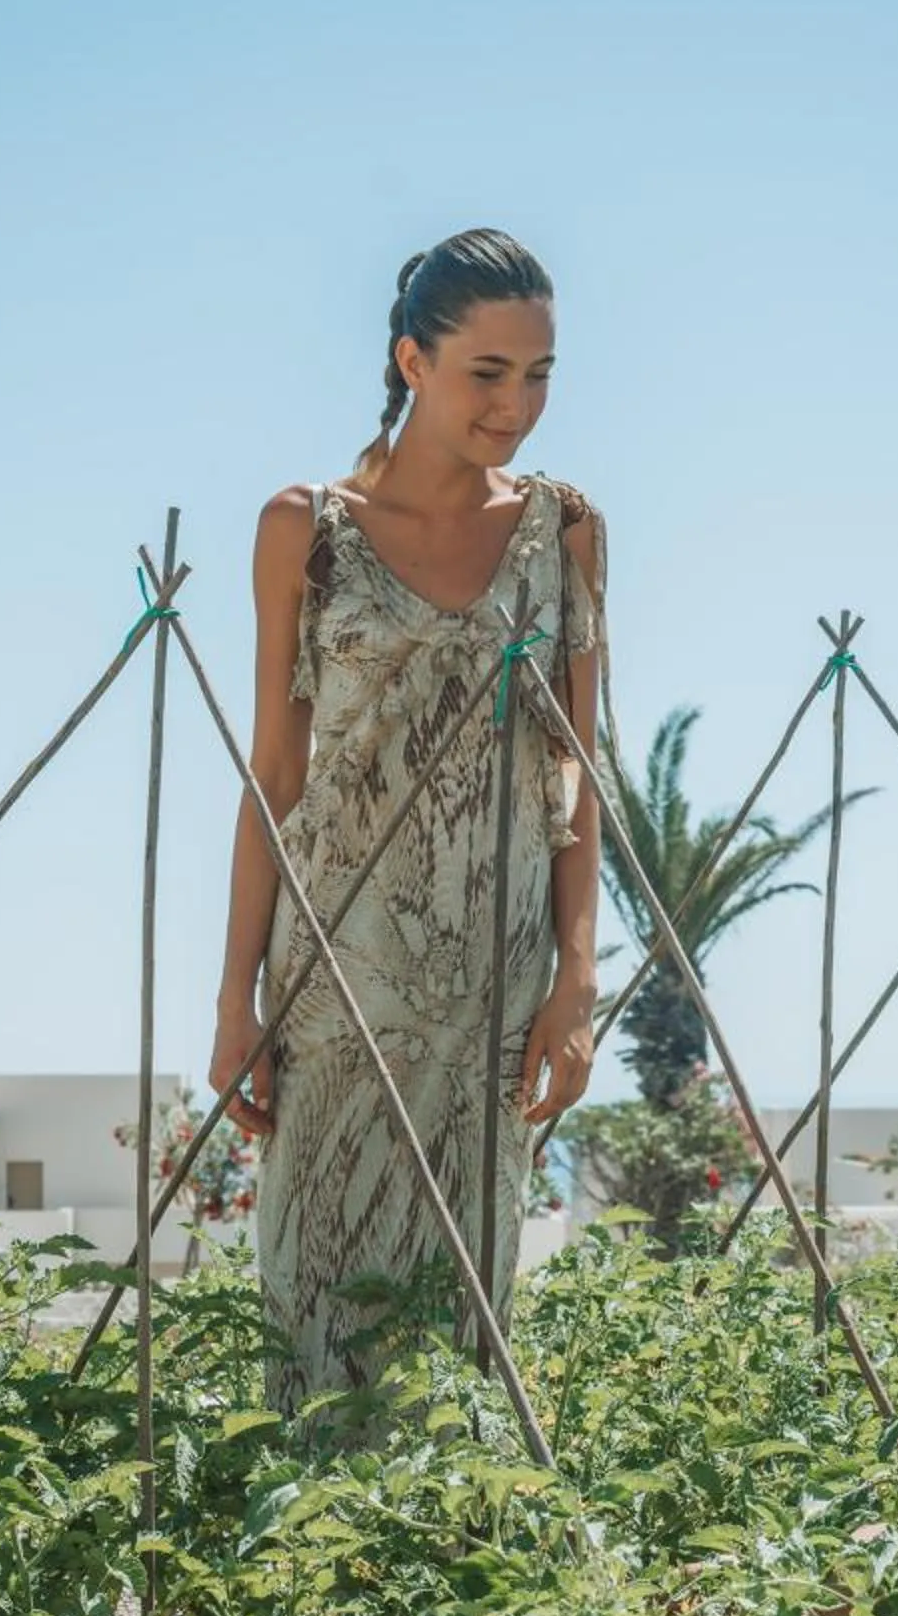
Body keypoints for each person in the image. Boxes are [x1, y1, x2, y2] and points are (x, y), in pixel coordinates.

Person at [208, 229, 606, 1420]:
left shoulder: (567, 532)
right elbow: (275, 771)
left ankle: (444, 1572)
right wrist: (237, 1001)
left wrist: (576, 979)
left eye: (538, 374)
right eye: (488, 372)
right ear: (411, 360)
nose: (517, 405)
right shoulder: (305, 529)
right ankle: (305, 1587)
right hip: (335, 970)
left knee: (464, 1315)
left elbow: (581, 772)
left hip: (494, 974)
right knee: (312, 1296)